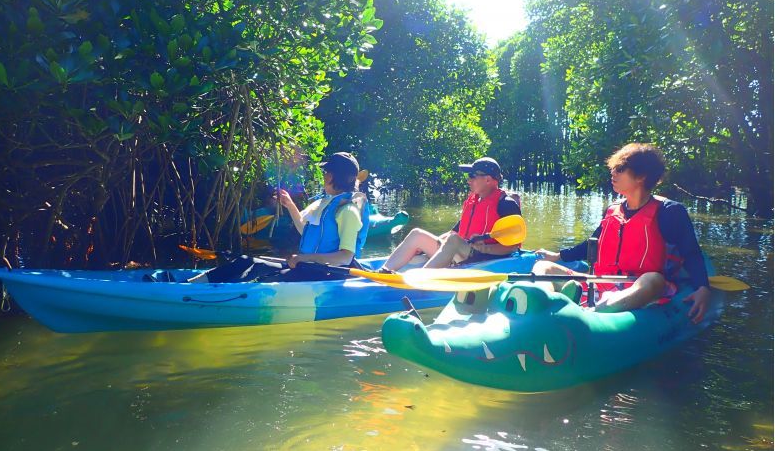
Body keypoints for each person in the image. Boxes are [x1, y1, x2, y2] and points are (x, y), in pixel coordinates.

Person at [532, 143, 711, 323]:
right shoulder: (613, 210)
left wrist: (703, 287)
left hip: (639, 285)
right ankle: (546, 305)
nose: (613, 173)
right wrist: (557, 256)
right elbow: (592, 244)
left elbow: (691, 254)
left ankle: (592, 313)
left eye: (620, 169)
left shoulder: (669, 212)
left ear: (641, 176)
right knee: (543, 267)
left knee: (654, 279)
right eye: (613, 168)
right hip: (600, 282)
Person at [184, 152, 369, 283]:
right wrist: (289, 205)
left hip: (329, 274)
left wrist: (303, 258)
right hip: (311, 267)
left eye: (328, 172)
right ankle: (192, 285)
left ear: (336, 177)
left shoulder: (347, 211)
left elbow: (345, 258)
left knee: (263, 275)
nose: (324, 175)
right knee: (248, 262)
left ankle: (204, 291)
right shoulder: (327, 203)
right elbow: (306, 230)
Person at [380, 157, 521, 272]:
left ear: (488, 179)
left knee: (453, 240)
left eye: (472, 176)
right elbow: (454, 232)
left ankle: (420, 279)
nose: (468, 180)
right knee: (417, 234)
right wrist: (422, 247)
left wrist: (485, 248)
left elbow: (513, 246)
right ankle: (384, 271)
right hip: (461, 252)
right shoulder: (474, 201)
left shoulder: (506, 204)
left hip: (483, 258)